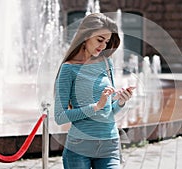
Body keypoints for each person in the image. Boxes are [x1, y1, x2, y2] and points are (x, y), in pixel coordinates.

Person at [54, 13, 133, 169]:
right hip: (79, 148)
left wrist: (121, 101)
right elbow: (59, 117)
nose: (103, 46)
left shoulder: (106, 63)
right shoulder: (68, 68)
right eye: (99, 40)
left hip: (109, 146)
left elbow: (108, 110)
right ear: (86, 35)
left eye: (107, 41)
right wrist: (95, 106)